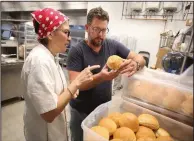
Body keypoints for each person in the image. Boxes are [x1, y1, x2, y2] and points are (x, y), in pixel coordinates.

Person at [66, 7, 146, 141]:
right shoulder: (77, 51)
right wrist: (101, 78)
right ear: (87, 27)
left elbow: (140, 58)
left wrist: (136, 64)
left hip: (103, 110)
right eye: (96, 29)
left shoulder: (112, 45)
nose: (101, 35)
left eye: (104, 30)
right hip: (81, 111)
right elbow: (76, 85)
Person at [21, 8, 100, 141]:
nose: (69, 38)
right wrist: (75, 84)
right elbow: (49, 113)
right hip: (44, 135)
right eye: (66, 32)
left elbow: (54, 94)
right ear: (50, 34)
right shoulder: (39, 62)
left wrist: (71, 90)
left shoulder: (51, 58)